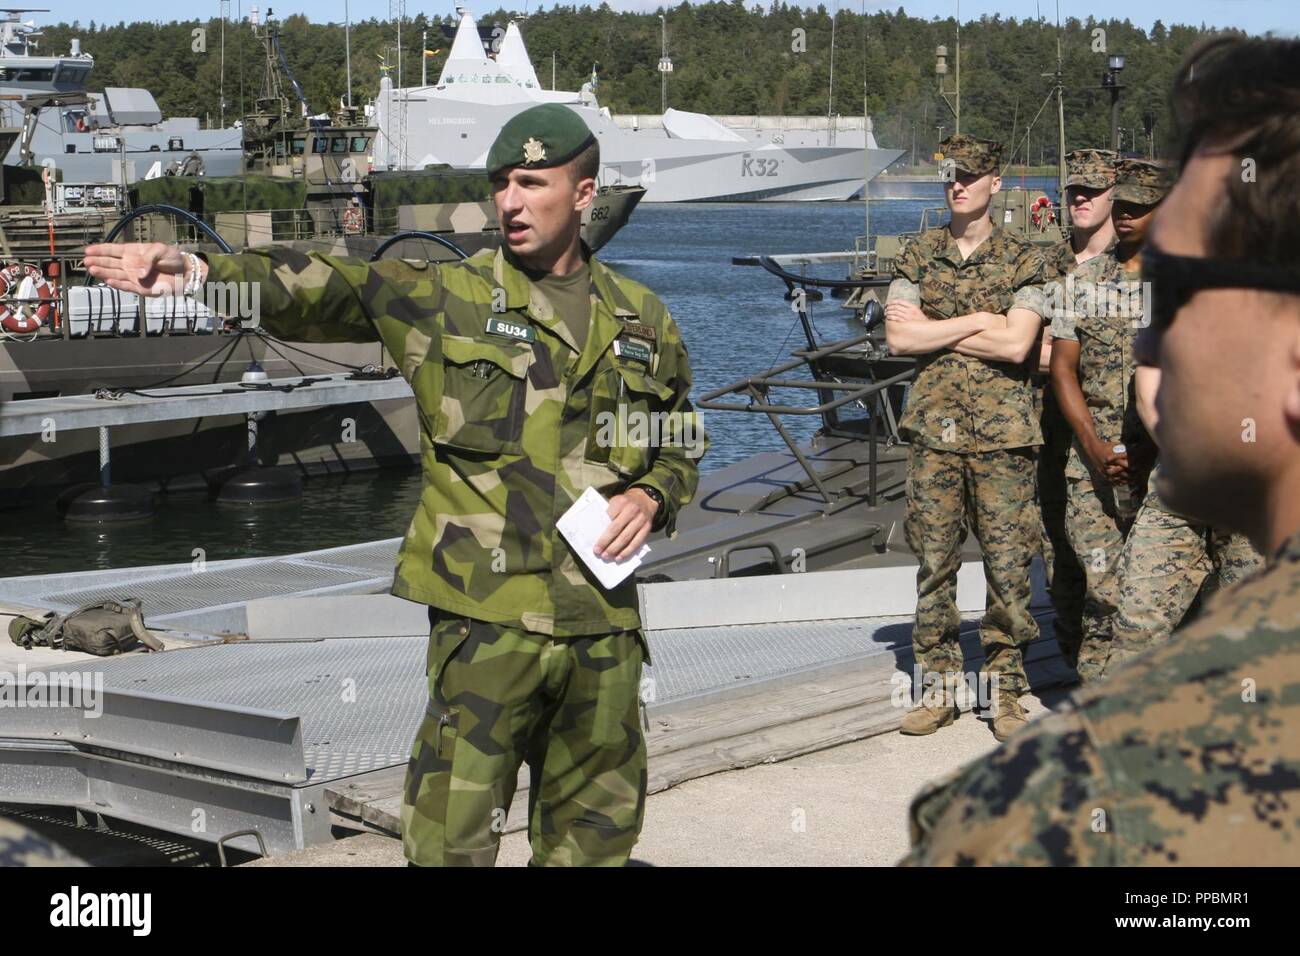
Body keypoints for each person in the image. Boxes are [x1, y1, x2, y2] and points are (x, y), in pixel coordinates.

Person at [84, 103, 706, 867]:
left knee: (597, 842)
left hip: (604, 632)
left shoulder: (642, 319)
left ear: (583, 194)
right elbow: (330, 288)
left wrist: (653, 495)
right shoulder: (449, 299)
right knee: (447, 844)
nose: (510, 201)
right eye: (501, 183)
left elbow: (676, 437)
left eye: (533, 182)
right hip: (487, 625)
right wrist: (205, 273)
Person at [901, 35, 1300, 864]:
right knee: (1111, 611)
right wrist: (1118, 441)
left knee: (1040, 581)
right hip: (1121, 470)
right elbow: (1074, 360)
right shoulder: (1097, 278)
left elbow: (1021, 346)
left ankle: (1035, 695)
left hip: (1107, 465)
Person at [885, 134, 1047, 742]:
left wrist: (940, 327)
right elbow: (900, 341)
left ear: (995, 183)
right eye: (951, 176)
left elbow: (1017, 345)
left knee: (1008, 571)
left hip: (1004, 437)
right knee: (934, 565)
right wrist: (982, 319)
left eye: (971, 176)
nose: (959, 185)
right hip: (934, 434)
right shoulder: (915, 254)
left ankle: (1006, 694)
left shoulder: (1028, 259)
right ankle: (939, 689)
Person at [1047, 157, 1162, 684]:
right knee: (1100, 588)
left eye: (1142, 207)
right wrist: (1092, 446)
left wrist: (1147, 453)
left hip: (1162, 469)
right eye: (1124, 204)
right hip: (1091, 468)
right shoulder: (1084, 281)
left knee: (1158, 595)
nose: (1127, 216)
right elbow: (1064, 371)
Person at [1035, 149, 1117, 676]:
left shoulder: (1138, 266)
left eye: (1092, 190)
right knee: (1058, 555)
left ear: (1116, 197)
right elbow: (1022, 343)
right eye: (1073, 191)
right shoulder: (1043, 263)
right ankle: (1076, 667)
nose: (1080, 199)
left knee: (1114, 562)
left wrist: (1059, 348)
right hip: (1049, 431)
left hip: (1116, 435)